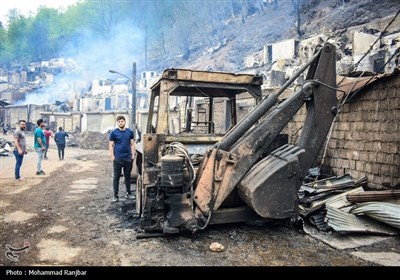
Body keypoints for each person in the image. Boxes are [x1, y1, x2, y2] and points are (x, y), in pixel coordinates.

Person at [109, 115, 135, 202]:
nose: (121, 123)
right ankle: (115, 195)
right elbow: (111, 145)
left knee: (127, 176)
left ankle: (128, 193)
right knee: (116, 177)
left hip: (127, 158)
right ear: (117, 123)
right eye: (119, 121)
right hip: (118, 158)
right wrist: (113, 157)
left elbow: (132, 144)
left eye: (122, 121)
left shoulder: (130, 132)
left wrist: (133, 155)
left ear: (125, 122)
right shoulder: (114, 133)